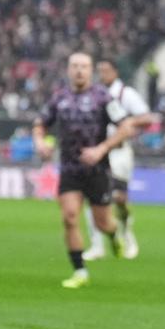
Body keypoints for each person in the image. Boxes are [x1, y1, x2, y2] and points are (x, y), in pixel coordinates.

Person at [32, 52, 136, 289]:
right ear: (69, 70)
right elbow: (40, 124)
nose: (79, 70)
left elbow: (126, 127)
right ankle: (80, 271)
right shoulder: (59, 98)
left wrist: (101, 149)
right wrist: (39, 142)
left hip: (98, 170)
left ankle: (113, 236)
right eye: (75, 66)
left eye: (84, 66)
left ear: (91, 71)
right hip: (70, 170)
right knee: (69, 218)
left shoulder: (103, 97)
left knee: (103, 223)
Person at [82, 59, 155, 260]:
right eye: (100, 70)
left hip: (119, 152)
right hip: (98, 150)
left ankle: (127, 234)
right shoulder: (94, 93)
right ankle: (97, 245)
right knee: (93, 196)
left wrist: (126, 121)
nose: (102, 74)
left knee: (119, 198)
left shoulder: (125, 93)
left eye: (105, 70)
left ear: (115, 72)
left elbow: (147, 118)